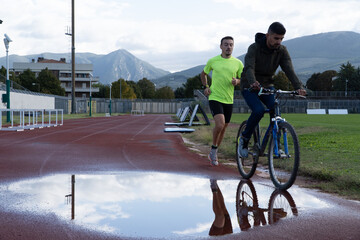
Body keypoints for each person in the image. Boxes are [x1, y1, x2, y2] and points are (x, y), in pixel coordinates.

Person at [238, 22, 306, 157]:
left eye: (281, 39)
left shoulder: (282, 51)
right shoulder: (254, 48)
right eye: (276, 38)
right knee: (258, 110)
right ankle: (244, 139)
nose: (278, 42)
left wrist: (299, 87)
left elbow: (289, 70)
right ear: (268, 35)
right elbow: (249, 68)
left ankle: (277, 146)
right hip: (249, 85)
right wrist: (253, 82)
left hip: (268, 85)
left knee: (275, 110)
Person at [201, 36, 244, 166]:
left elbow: (243, 79)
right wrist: (206, 87)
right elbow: (203, 74)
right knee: (220, 124)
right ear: (221, 46)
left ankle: (214, 150)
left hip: (229, 99)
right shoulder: (213, 61)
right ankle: (214, 150)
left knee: (224, 128)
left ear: (233, 47)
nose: (228, 47)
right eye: (226, 44)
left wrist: (237, 81)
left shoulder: (238, 63)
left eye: (231, 45)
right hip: (215, 96)